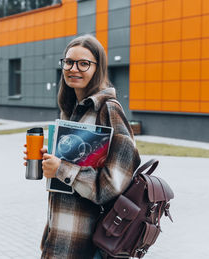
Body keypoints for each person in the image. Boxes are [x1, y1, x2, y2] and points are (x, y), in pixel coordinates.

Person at [23, 35, 140, 259]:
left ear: (98, 68)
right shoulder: (72, 112)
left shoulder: (109, 110)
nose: (73, 68)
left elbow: (113, 184)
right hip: (61, 239)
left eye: (83, 63)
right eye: (68, 62)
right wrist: (48, 161)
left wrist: (61, 169)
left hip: (89, 245)